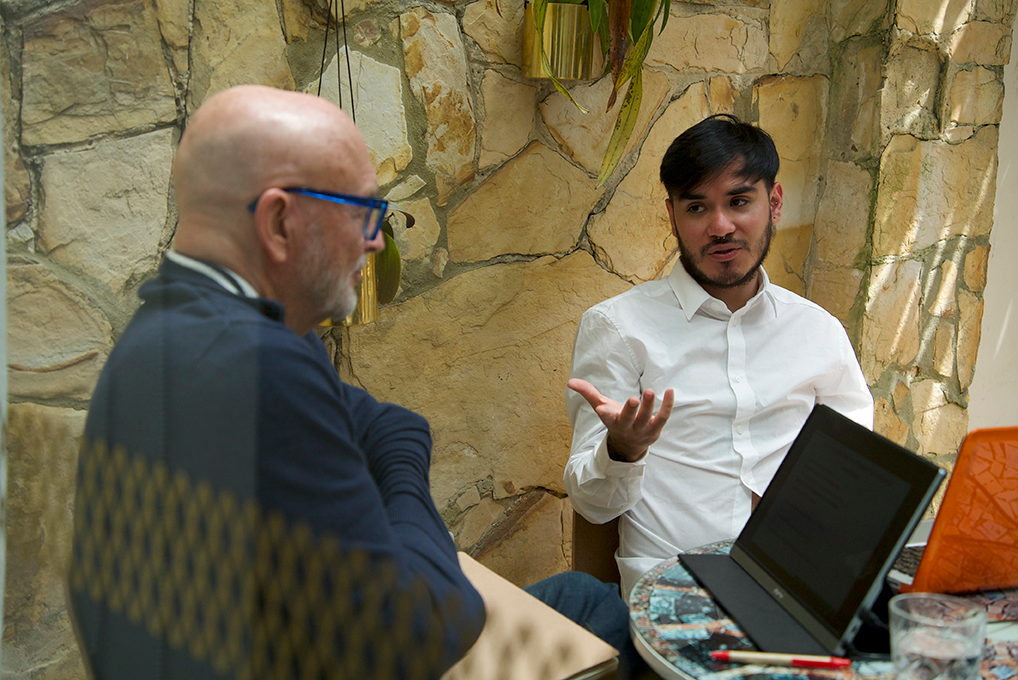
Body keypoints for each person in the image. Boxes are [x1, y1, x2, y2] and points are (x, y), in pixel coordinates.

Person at [70, 85, 631, 680]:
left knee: (582, 595)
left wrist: (388, 452)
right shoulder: (253, 366)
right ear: (280, 220)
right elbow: (426, 631)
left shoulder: (187, 320)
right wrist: (407, 453)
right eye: (362, 212)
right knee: (597, 609)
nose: (374, 240)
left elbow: (371, 421)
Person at [564, 114, 874, 600]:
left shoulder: (818, 331)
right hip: (678, 591)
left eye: (739, 201)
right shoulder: (619, 329)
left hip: (802, 582)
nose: (721, 226)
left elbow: (855, 464)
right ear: (672, 217)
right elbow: (591, 502)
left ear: (773, 204)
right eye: (697, 207)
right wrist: (622, 450)